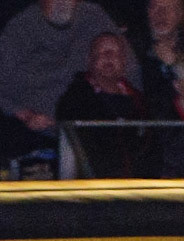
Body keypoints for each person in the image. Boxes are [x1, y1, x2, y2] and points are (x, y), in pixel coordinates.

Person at [0, 0, 141, 160]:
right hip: (34, 137)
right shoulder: (21, 28)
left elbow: (130, 69)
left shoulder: (94, 17)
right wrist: (25, 115)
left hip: (91, 136)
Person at [55, 31, 150, 176]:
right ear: (90, 60)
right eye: (102, 52)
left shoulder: (141, 103)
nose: (109, 57)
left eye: (115, 53)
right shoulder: (74, 101)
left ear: (124, 61)